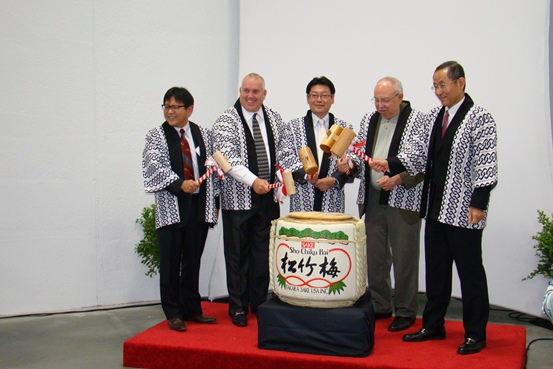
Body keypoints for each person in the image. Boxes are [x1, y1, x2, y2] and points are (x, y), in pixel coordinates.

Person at [372, 61, 498, 354]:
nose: (439, 91)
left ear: (461, 83)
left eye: (443, 85)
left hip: (465, 210)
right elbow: (417, 155)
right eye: (435, 86)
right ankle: (433, 325)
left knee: (470, 273)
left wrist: (479, 204)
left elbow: (486, 165)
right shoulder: (434, 117)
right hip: (435, 208)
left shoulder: (480, 118)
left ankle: (475, 333)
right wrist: (390, 164)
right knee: (437, 272)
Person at [212, 73, 300, 327]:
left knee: (263, 252)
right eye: (246, 91)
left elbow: (284, 153)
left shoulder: (273, 118)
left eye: (256, 91)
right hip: (237, 198)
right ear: (240, 91)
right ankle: (238, 306)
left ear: (264, 93)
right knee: (237, 254)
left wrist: (289, 176)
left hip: (267, 199)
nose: (250, 96)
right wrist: (253, 181)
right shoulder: (226, 120)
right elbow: (226, 158)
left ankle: (259, 301)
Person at [338, 77, 425, 332]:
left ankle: (407, 311)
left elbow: (421, 158)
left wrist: (396, 175)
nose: (380, 105)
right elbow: (358, 151)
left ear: (400, 97)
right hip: (373, 198)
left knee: (404, 257)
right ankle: (380, 305)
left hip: (403, 199)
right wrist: (349, 164)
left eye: (385, 100)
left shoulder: (418, 120)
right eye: (376, 99)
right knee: (375, 257)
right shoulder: (369, 119)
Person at [142, 87, 219, 332]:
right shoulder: (156, 135)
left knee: (193, 260)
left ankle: (192, 309)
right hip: (172, 205)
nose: (170, 111)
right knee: (171, 260)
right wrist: (179, 183)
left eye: (176, 107)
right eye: (166, 106)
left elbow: (214, 164)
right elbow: (153, 166)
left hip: (198, 205)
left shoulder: (203, 134)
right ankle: (173, 312)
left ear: (189, 109)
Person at [287, 76, 357, 213]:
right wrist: (308, 176)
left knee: (331, 233)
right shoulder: (293, 127)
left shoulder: (344, 128)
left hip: (333, 200)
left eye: (324, 95)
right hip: (302, 199)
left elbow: (355, 159)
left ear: (332, 98)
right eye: (314, 95)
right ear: (307, 98)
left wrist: (335, 179)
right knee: (302, 234)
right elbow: (286, 157)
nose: (319, 100)